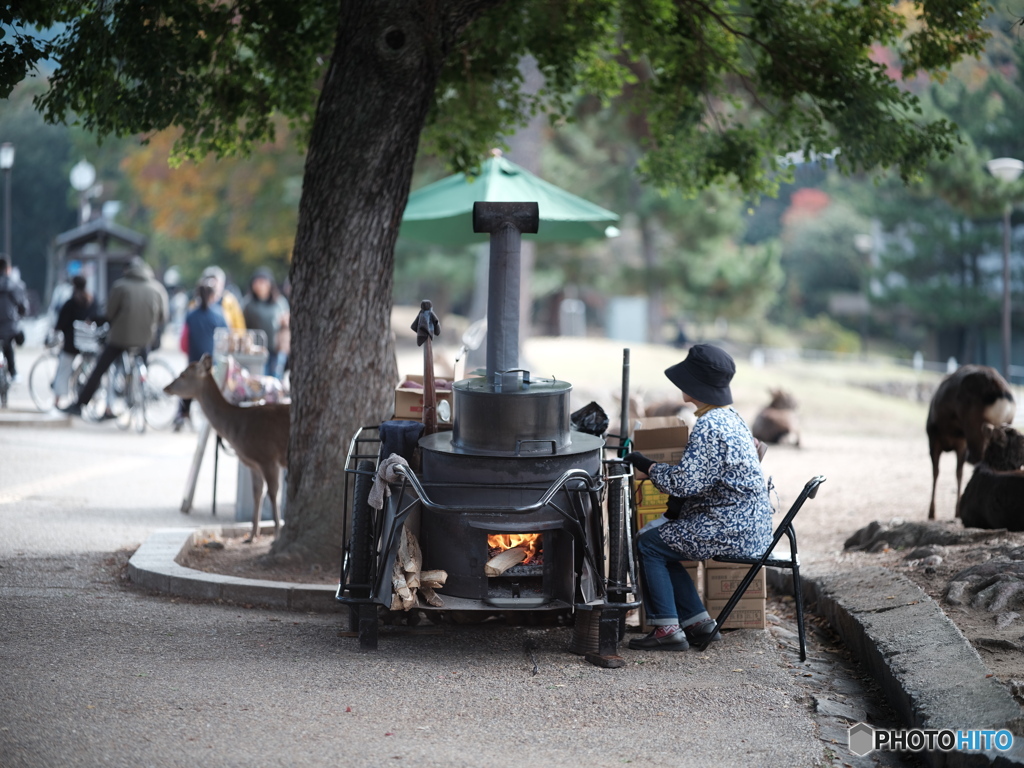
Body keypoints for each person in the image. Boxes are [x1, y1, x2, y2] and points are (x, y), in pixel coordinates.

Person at [624, 344, 773, 651]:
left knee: (648, 544)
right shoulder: (731, 417)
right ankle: (698, 622)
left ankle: (666, 629)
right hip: (750, 526)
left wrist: (646, 465)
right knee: (662, 545)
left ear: (695, 385)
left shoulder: (709, 425)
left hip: (729, 529)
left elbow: (684, 484)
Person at [61, 256, 169, 418]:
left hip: (121, 338)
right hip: (146, 339)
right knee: (143, 368)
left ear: (127, 270)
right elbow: (163, 317)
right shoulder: (158, 288)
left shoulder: (120, 286)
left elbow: (109, 314)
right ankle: (138, 396)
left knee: (100, 369)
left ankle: (80, 404)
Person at [174, 279, 227, 431]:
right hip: (211, 361)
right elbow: (225, 336)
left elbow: (184, 338)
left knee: (189, 388)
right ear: (212, 296)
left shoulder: (191, 315)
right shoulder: (218, 315)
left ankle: (182, 415)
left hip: (194, 358)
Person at [52, 275, 101, 408]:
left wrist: (57, 331)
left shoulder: (71, 302)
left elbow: (61, 323)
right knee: (89, 370)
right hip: (89, 344)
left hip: (71, 344)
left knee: (63, 370)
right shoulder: (93, 301)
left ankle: (57, 400)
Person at [241, 267, 289, 378]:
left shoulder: (279, 302)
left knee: (275, 379)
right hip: (256, 351)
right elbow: (242, 325)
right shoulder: (248, 303)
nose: (259, 285)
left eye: (262, 282)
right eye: (257, 282)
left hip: (276, 349)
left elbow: (286, 320)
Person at [0, 255, 28, 381]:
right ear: (8, 269)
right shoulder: (14, 285)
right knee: (8, 346)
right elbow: (22, 306)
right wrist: (21, 315)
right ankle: (13, 372)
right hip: (9, 328)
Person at [199, 265, 246, 333]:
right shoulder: (196, 304)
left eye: (215, 281)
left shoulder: (230, 302)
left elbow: (239, 327)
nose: (212, 285)